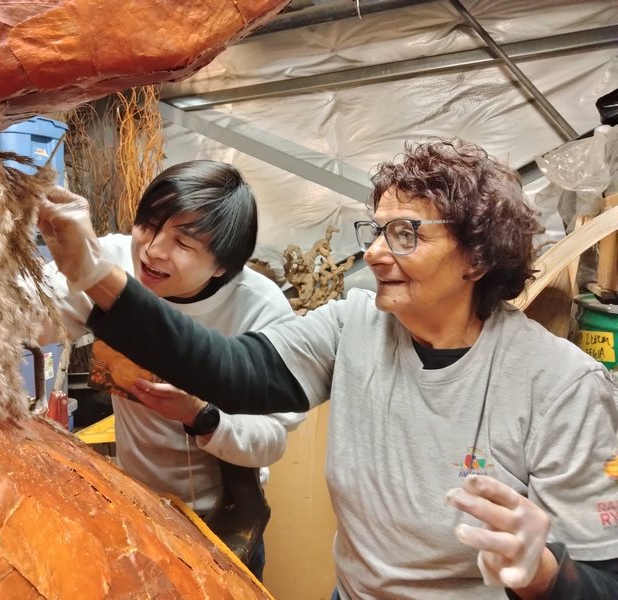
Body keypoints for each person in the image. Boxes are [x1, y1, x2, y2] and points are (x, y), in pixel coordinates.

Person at [38, 139, 618, 598]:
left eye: (405, 234)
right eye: (377, 230)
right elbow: (233, 370)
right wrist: (94, 274)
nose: (374, 253)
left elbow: (604, 584)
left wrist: (544, 575)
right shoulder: (354, 325)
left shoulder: (560, 385)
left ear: (478, 257)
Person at [40, 160, 305, 581]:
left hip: (225, 523)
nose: (153, 250)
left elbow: (271, 439)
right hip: (143, 511)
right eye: (149, 225)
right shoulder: (110, 262)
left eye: (183, 242)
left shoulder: (260, 309)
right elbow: (33, 318)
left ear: (222, 265)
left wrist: (199, 415)